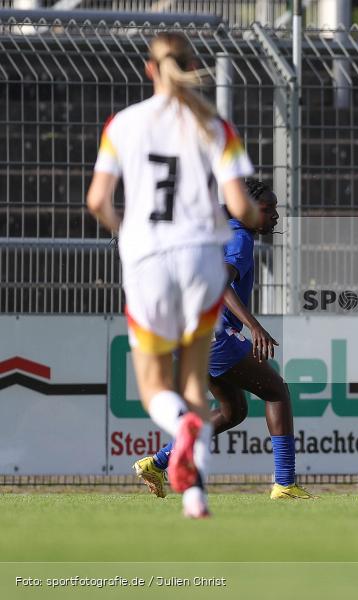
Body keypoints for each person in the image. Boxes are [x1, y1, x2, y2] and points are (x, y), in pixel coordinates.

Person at [86, 32, 260, 518]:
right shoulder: (215, 125)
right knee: (192, 383)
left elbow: (98, 201)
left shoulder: (123, 123)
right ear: (193, 65)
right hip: (202, 258)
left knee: (154, 386)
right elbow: (243, 206)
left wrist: (130, 235)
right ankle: (195, 496)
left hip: (147, 258)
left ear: (149, 68)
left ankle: (180, 433)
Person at [133, 178, 315, 500]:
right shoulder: (239, 238)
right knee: (276, 391)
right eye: (266, 208)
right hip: (212, 335)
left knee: (233, 411)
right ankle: (285, 484)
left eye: (275, 208)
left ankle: (158, 462)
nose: (273, 215)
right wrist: (254, 326)